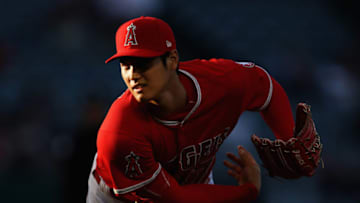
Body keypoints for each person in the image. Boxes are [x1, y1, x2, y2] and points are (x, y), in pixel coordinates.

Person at [86, 16, 298, 203]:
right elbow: (174, 198)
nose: (133, 75)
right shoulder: (120, 131)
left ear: (172, 60)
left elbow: (265, 87)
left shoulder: (220, 82)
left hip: (191, 181)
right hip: (121, 196)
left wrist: (290, 141)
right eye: (126, 64)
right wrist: (246, 192)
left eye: (143, 63)